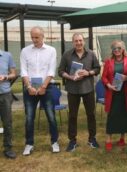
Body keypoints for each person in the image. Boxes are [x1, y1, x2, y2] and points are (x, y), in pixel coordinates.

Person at [20, 26, 59, 155]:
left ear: (43, 36)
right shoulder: (25, 51)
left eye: (36, 37)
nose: (34, 39)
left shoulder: (51, 50)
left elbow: (51, 70)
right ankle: (29, 144)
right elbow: (24, 71)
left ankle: (54, 142)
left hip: (47, 88)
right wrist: (28, 87)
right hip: (29, 89)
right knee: (29, 117)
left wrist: (43, 87)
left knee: (51, 116)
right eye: (32, 37)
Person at [58, 33, 100, 152]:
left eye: (80, 40)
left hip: (88, 89)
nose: (78, 43)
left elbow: (97, 68)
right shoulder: (67, 55)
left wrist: (89, 73)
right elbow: (60, 71)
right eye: (76, 41)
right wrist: (69, 77)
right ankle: (72, 141)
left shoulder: (91, 54)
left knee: (91, 115)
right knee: (72, 116)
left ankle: (92, 139)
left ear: (84, 41)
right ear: (73, 42)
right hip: (72, 89)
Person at [102, 40, 127, 151]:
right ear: (112, 50)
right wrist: (109, 85)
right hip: (113, 93)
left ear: (123, 49)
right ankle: (108, 139)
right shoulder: (108, 62)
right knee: (112, 117)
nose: (117, 50)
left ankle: (122, 138)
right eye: (114, 48)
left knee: (124, 116)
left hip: (126, 93)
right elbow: (104, 77)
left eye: (119, 48)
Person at [0, 49, 17, 159]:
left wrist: (5, 77)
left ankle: (8, 148)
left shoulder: (7, 55)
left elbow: (13, 74)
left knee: (7, 123)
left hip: (4, 94)